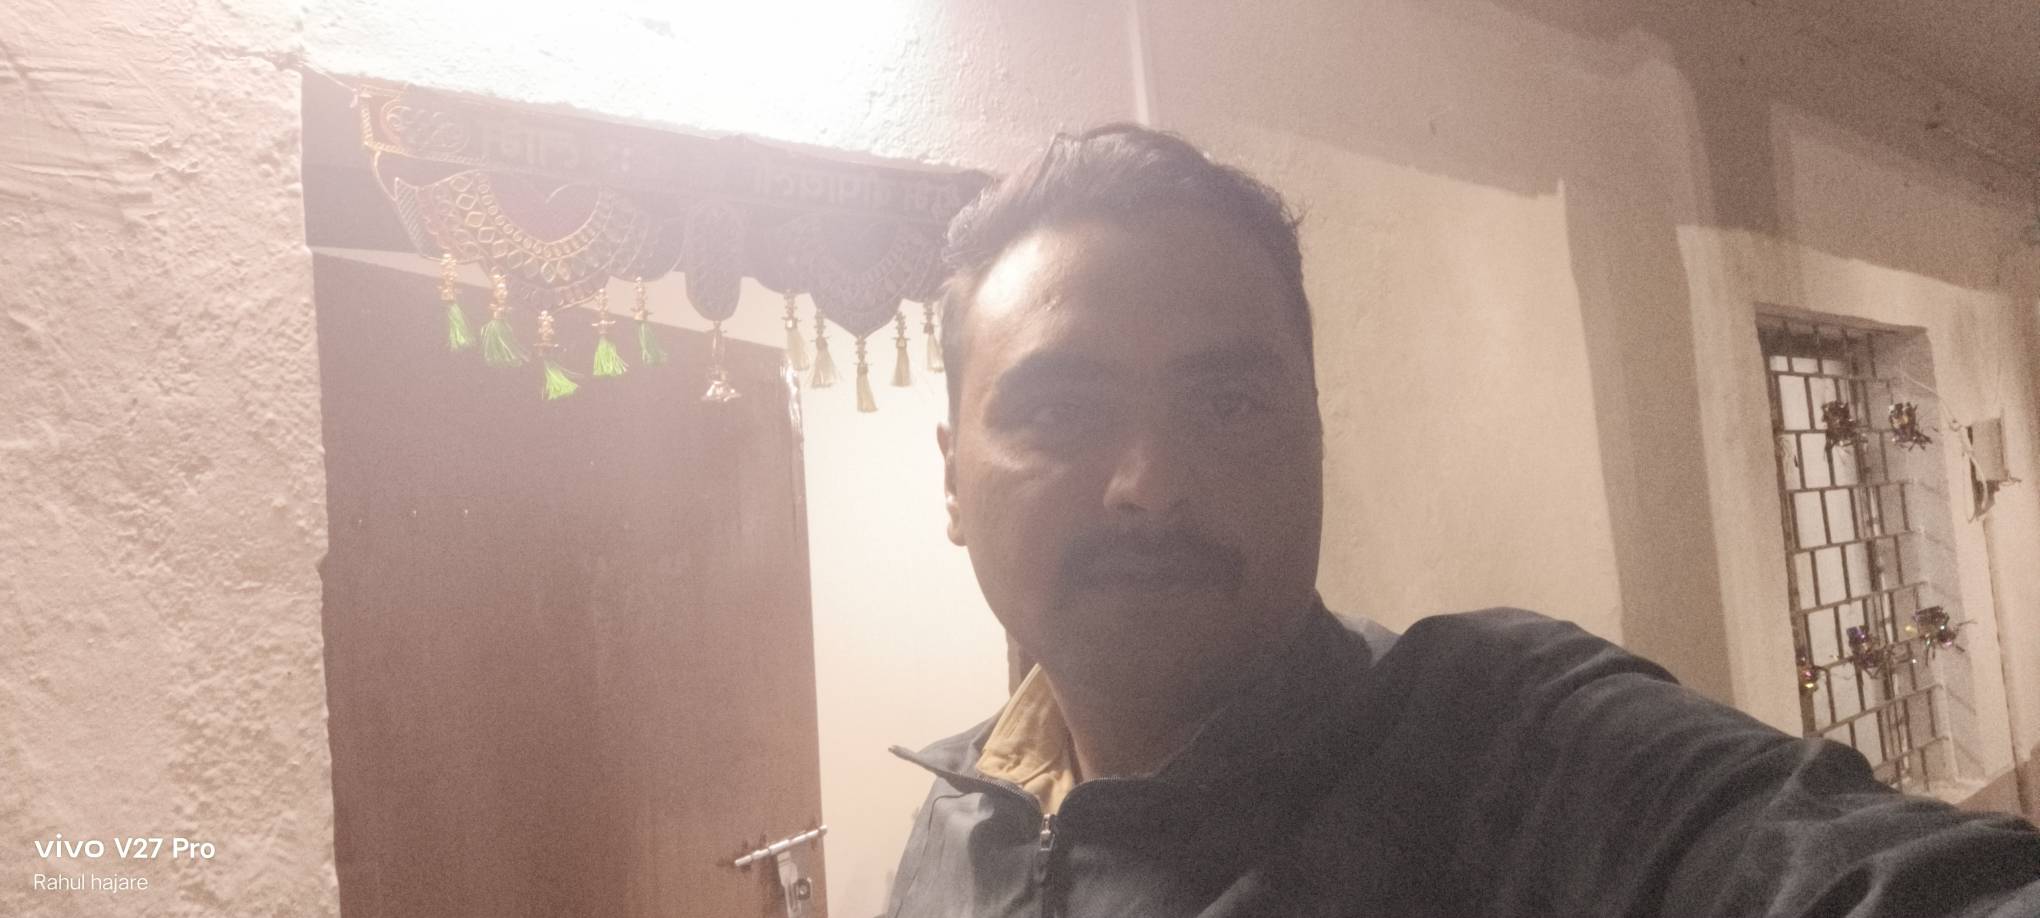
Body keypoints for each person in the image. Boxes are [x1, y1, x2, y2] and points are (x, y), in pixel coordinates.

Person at [881, 124, 2040, 917]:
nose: (1149, 482)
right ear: (950, 482)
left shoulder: (1517, 755)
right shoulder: (958, 822)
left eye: (1228, 403)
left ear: (1316, 440)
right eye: (1058, 409)